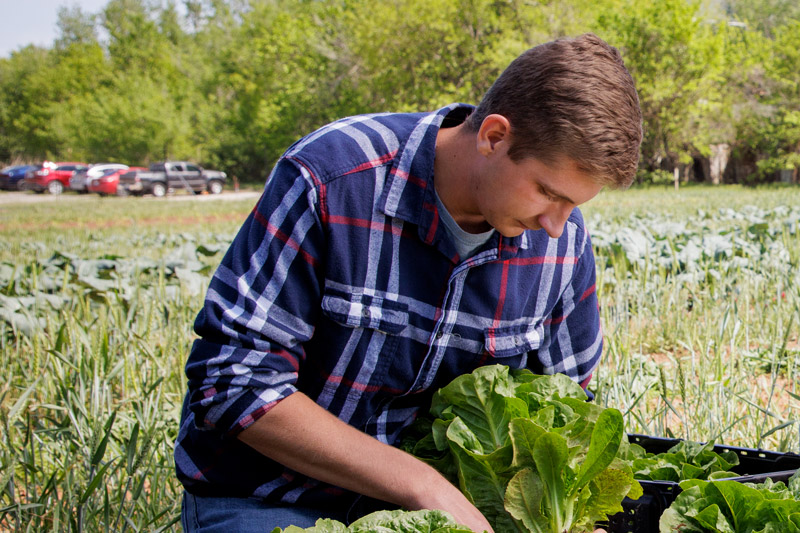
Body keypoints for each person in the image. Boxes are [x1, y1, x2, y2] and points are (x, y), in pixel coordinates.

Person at [175, 32, 642, 533]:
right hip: (273, 499)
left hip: (450, 516)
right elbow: (232, 384)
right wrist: (420, 484)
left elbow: (566, 411)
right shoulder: (333, 178)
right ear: (494, 136)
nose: (557, 224)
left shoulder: (562, 241)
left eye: (575, 204)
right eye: (548, 193)